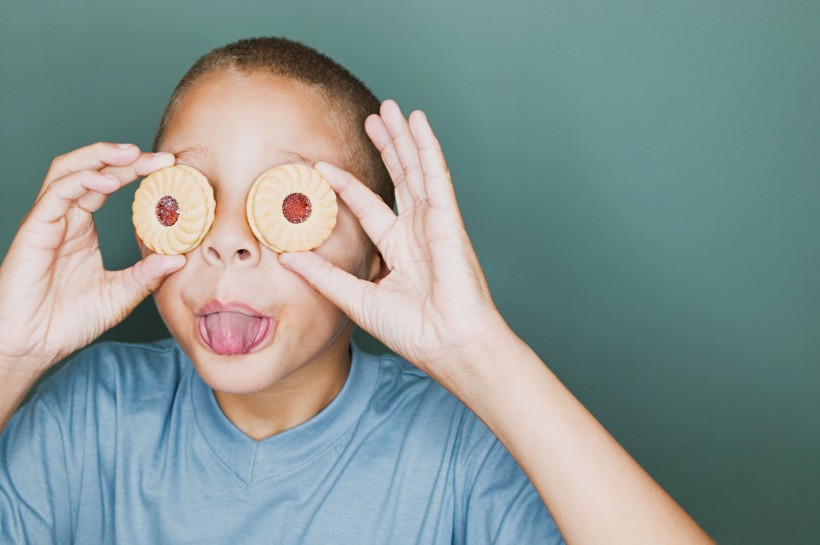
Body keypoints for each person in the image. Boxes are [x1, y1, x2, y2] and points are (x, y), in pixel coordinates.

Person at [0, 37, 714, 544]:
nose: (227, 239)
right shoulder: (88, 416)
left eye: (287, 208)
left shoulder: (462, 449)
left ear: (379, 258)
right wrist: (11, 349)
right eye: (190, 196)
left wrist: (482, 354)